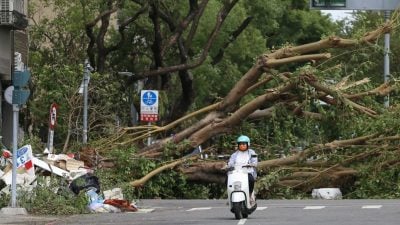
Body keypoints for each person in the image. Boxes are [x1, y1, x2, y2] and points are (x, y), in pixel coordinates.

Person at [227, 135, 258, 204]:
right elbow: (230, 162)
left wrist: (252, 164)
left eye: (244, 144)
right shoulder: (234, 154)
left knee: (251, 180)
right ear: (238, 145)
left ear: (248, 144)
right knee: (227, 180)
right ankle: (230, 196)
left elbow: (255, 161)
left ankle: (250, 195)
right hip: (236, 172)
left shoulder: (252, 152)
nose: (242, 146)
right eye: (240, 144)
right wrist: (228, 166)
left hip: (247, 172)